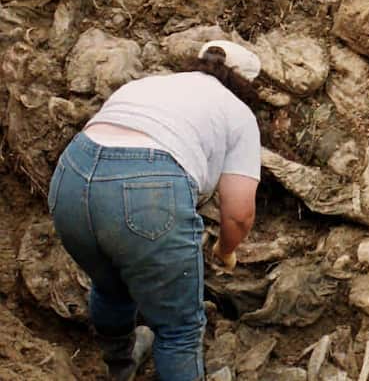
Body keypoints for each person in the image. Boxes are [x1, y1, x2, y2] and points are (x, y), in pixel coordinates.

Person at [48, 39, 263, 381]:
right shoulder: (238, 113)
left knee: (109, 285)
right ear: (245, 85)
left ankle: (119, 365)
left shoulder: (148, 84)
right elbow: (238, 214)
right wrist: (225, 250)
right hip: (147, 191)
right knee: (180, 329)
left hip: (71, 177)